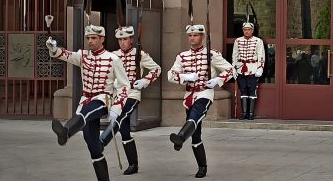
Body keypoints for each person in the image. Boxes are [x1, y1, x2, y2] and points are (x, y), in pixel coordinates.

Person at [47, 25, 131, 181]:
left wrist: (117, 107)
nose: (90, 41)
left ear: (102, 39)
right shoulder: (83, 55)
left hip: (102, 99)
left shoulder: (113, 59)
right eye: (88, 38)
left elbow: (124, 86)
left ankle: (66, 133)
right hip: (85, 99)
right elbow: (66, 55)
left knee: (85, 113)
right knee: (93, 147)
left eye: (93, 38)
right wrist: (54, 48)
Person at [168, 23, 233, 178]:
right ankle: (202, 166)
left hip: (205, 94)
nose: (192, 38)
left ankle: (181, 136)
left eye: (195, 35)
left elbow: (231, 70)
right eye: (190, 35)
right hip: (189, 96)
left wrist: (217, 80)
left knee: (195, 115)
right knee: (196, 134)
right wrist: (186, 77)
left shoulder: (212, 54)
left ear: (202, 36)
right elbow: (171, 75)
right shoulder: (182, 56)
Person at [99, 26, 161, 175]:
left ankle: (103, 140)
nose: (122, 42)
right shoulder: (113, 55)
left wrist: (145, 81)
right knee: (125, 130)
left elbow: (156, 69)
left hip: (132, 93)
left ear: (131, 39)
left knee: (122, 115)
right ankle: (133, 164)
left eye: (125, 39)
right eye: (119, 39)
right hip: (118, 94)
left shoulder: (140, 54)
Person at [232, 20, 265, 120]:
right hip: (240, 68)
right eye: (245, 30)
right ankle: (244, 113)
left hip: (253, 68)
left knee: (252, 90)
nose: (246, 31)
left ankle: (250, 113)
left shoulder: (258, 41)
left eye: (248, 30)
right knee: (243, 90)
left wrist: (260, 68)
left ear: (252, 30)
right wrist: (233, 68)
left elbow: (261, 56)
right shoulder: (237, 41)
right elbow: (234, 55)